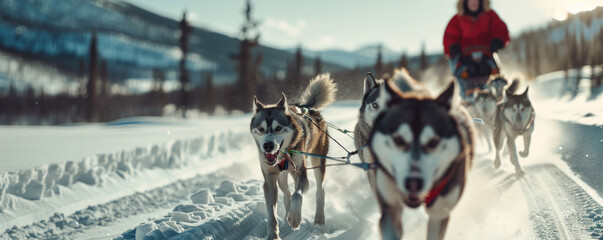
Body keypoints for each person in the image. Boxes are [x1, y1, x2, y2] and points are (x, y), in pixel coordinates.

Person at [443, 0, 510, 99]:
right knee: (461, 74)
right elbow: (450, 37)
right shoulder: (457, 19)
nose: (474, 2)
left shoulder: (490, 15)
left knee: (494, 73)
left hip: (486, 55)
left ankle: (499, 96)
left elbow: (500, 29)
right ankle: (464, 97)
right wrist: (453, 48)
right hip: (465, 58)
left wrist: (498, 40)